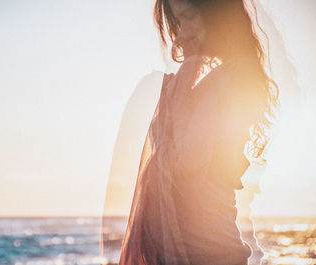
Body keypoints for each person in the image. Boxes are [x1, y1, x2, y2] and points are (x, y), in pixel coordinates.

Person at [101, 0, 281, 264]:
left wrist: (189, 67)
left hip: (208, 249)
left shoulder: (233, 77)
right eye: (178, 20)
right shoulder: (227, 75)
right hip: (204, 244)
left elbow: (188, 164)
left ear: (217, 13)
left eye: (189, 17)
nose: (183, 30)